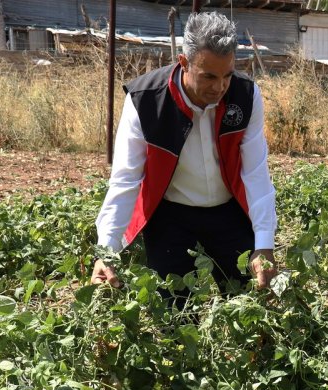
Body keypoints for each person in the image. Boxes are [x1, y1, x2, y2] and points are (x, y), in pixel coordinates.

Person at [91, 11, 278, 299]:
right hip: (171, 216)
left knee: (250, 302)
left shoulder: (246, 95)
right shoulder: (145, 100)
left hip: (229, 212)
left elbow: (255, 172)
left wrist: (264, 243)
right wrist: (107, 251)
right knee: (174, 316)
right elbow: (126, 181)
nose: (219, 88)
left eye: (227, 75)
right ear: (184, 62)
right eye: (209, 76)